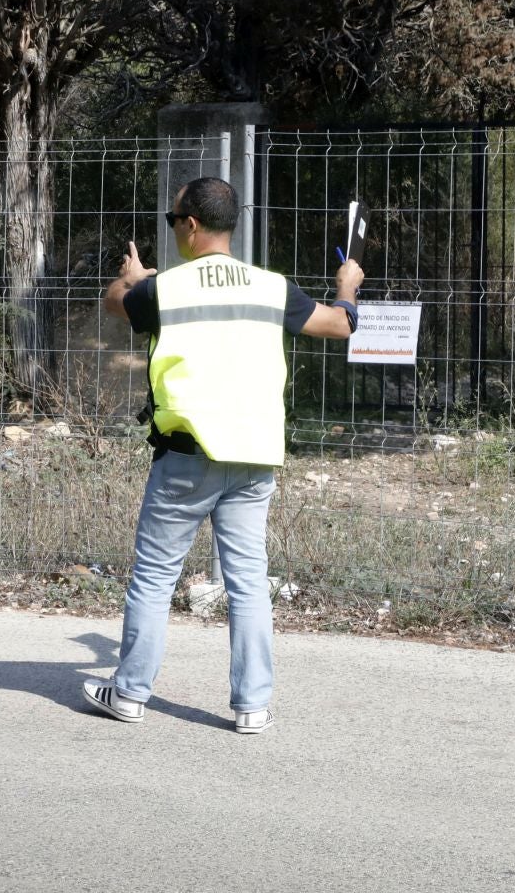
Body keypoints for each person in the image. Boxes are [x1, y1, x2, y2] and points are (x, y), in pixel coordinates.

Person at [83, 176, 364, 734]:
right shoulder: (271, 287)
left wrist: (134, 277)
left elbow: (115, 302)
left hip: (186, 458)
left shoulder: (167, 290)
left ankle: (132, 693)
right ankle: (252, 706)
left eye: (172, 220)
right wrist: (347, 283)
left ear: (189, 224)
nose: (173, 229)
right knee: (247, 582)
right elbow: (340, 323)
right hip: (255, 456)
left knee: (155, 578)